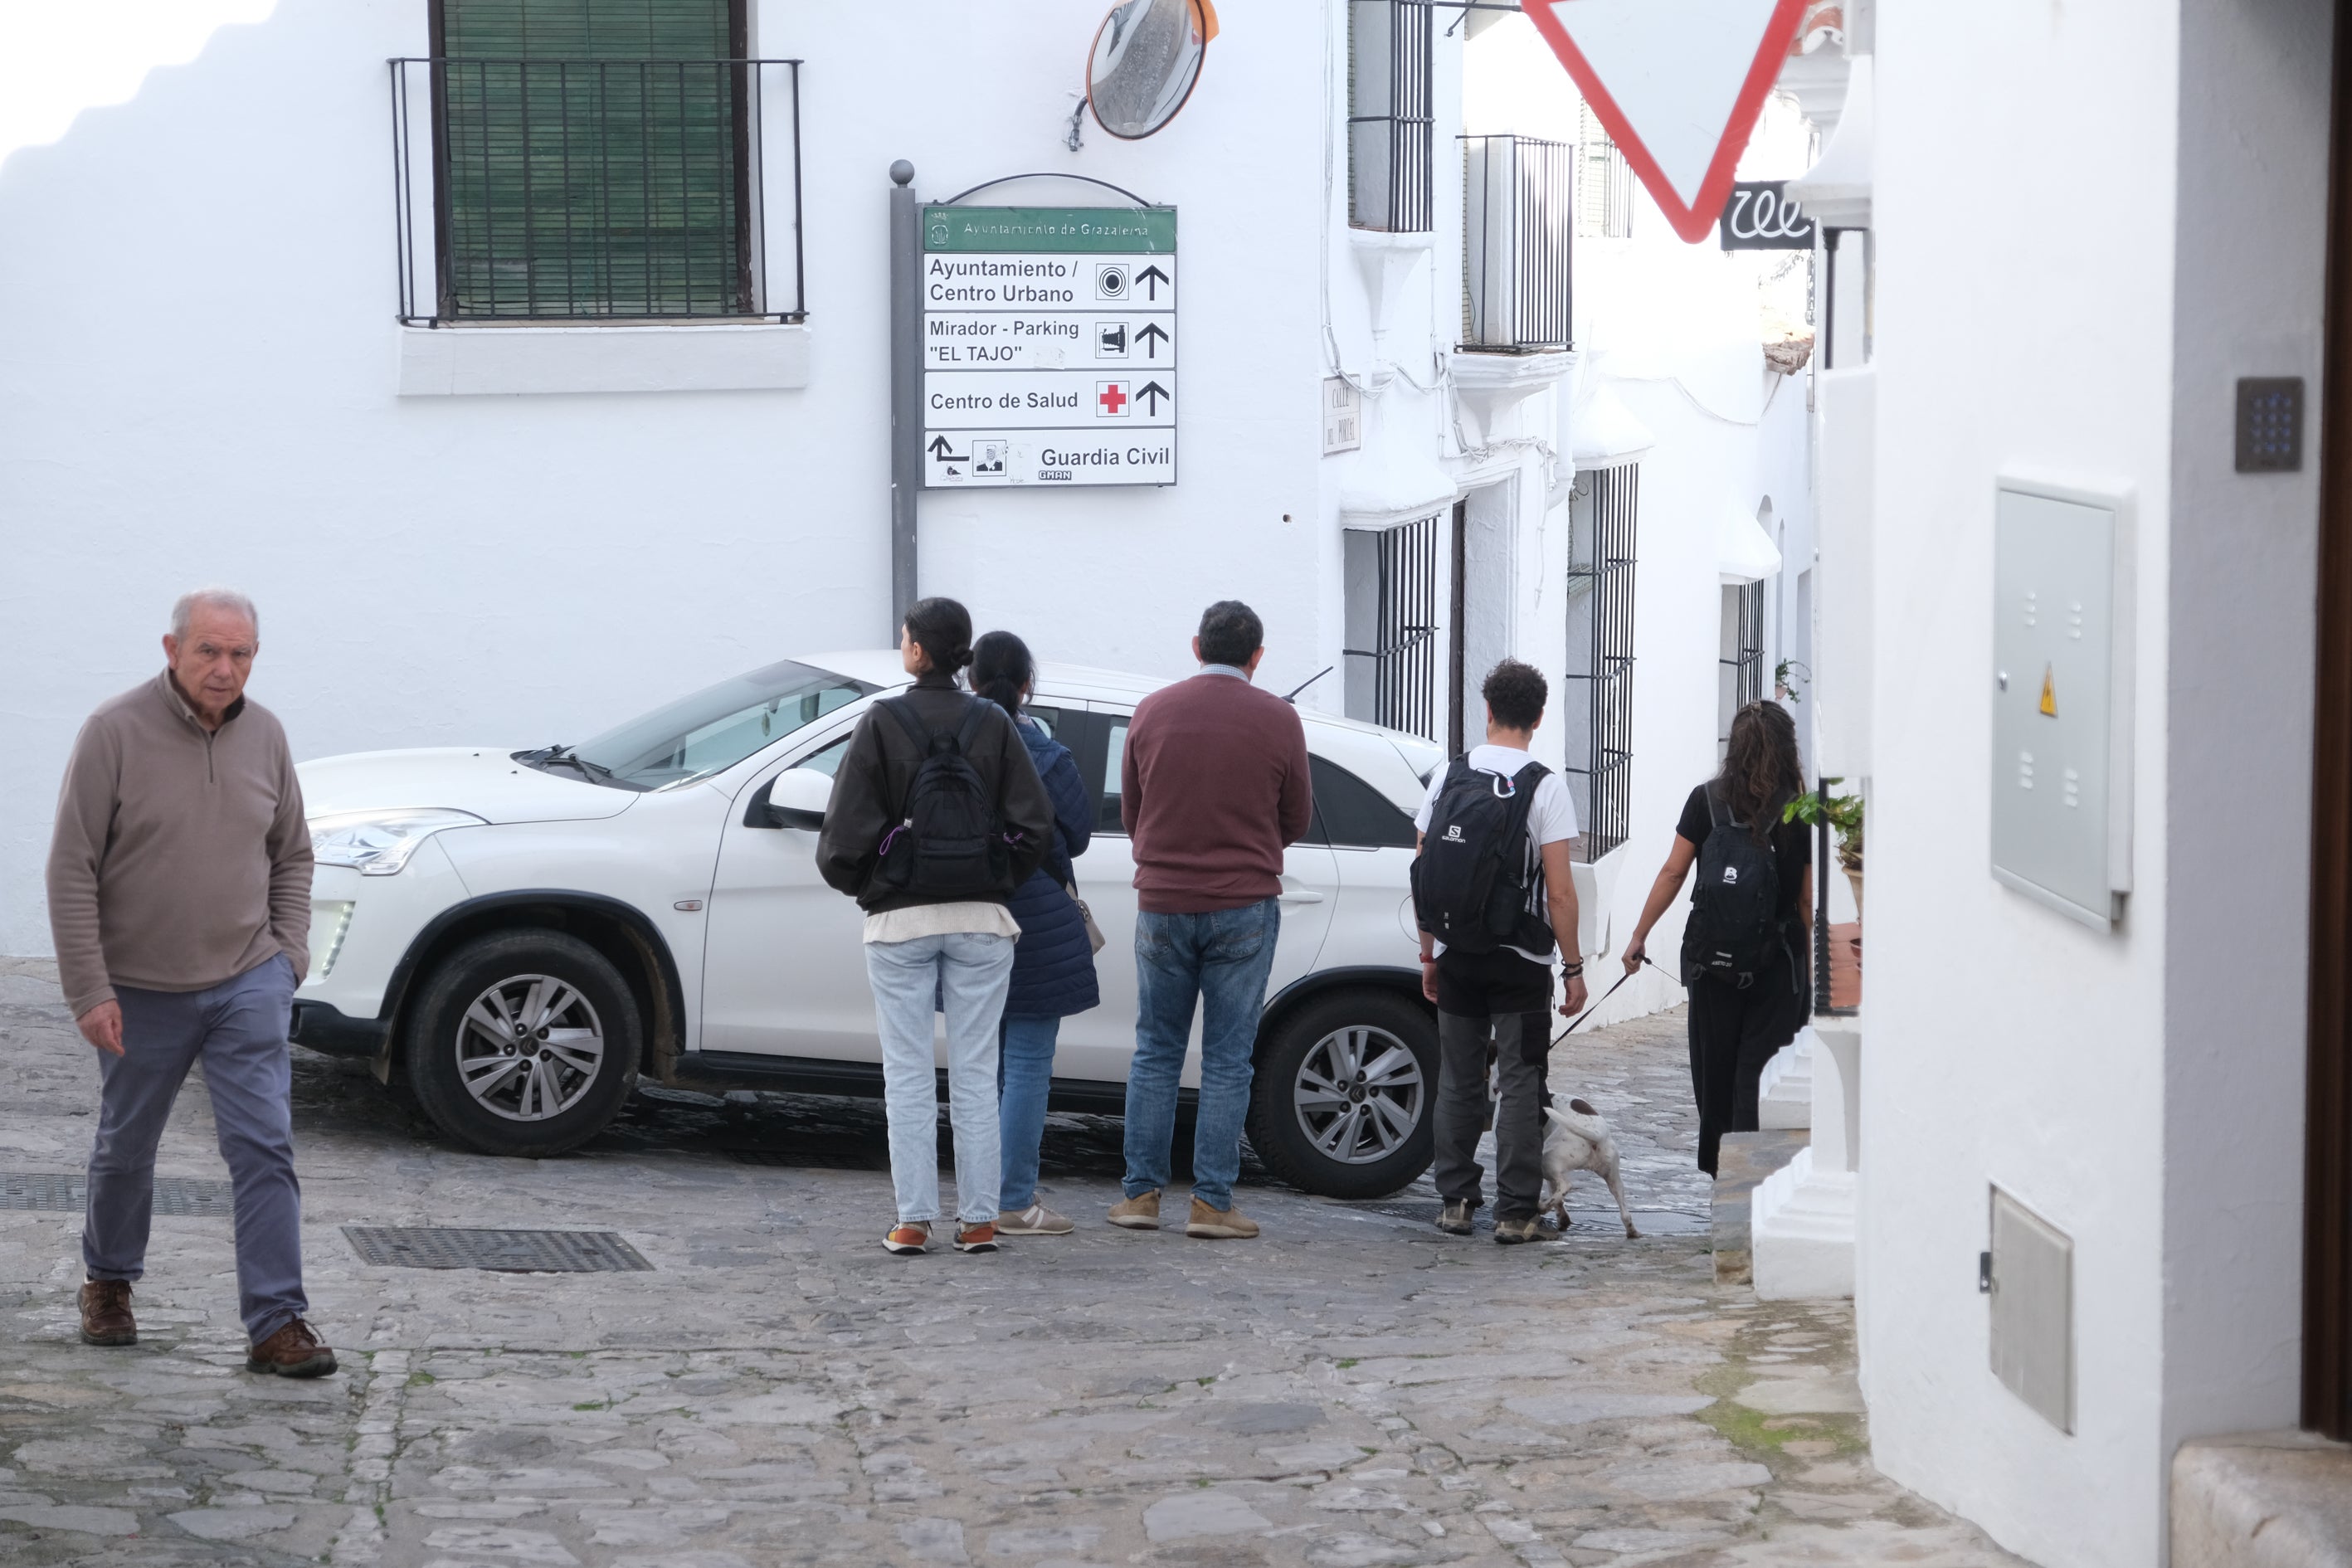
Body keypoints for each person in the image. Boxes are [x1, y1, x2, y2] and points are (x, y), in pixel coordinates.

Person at [45, 589, 335, 1376]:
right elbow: (72, 868)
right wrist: (89, 990)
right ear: (171, 650)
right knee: (126, 1147)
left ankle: (278, 1322)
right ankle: (108, 1280)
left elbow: (292, 853)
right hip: (137, 989)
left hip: (246, 979)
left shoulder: (266, 735)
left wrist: (287, 957)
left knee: (265, 1148)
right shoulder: (114, 732)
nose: (225, 668)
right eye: (209, 650)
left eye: (240, 654)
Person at [816, 597, 1054, 1256]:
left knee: (908, 1073)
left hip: (899, 922)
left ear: (918, 651)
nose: (902, 647)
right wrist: (996, 879)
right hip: (983, 919)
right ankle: (978, 1220)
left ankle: (913, 1220)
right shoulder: (993, 722)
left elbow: (840, 836)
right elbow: (1036, 826)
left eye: (904, 639)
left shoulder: (882, 722)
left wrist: (871, 887)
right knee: (977, 1072)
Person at [1112, 601, 1312, 1241]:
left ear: (1196, 645)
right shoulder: (1279, 719)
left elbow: (1131, 813)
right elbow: (1296, 819)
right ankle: (1210, 1203)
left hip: (1162, 902)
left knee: (1155, 1051)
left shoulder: (1151, 710)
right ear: (1257, 656)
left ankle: (1140, 1195)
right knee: (1228, 1060)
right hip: (1243, 903)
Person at [1413, 659, 1590, 1245]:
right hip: (1520, 958)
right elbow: (1560, 892)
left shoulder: (1449, 775)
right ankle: (1515, 1213)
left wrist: (1428, 954)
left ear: (1487, 710)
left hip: (1457, 949)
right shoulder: (1545, 786)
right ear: (1537, 718)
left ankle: (1456, 1203)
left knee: (1459, 1079)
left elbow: (1423, 870)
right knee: (1519, 1081)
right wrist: (1572, 968)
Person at [1621, 700, 1813, 1176]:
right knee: (1759, 1072)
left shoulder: (1705, 799)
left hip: (1710, 964)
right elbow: (1807, 903)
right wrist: (1810, 968)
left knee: (1716, 1071)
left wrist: (1639, 935)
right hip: (1775, 966)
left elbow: (1673, 872)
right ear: (1788, 749)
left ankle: (1721, 1171)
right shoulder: (1799, 811)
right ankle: (1753, 1179)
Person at [969, 631, 1099, 1238]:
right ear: (1027, 686)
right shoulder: (1047, 755)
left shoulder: (950, 743)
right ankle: (1013, 1200)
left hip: (964, 912)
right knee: (1024, 1065)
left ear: (971, 680)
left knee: (977, 1064)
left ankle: (977, 1197)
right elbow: (1073, 836)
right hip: (1036, 916)